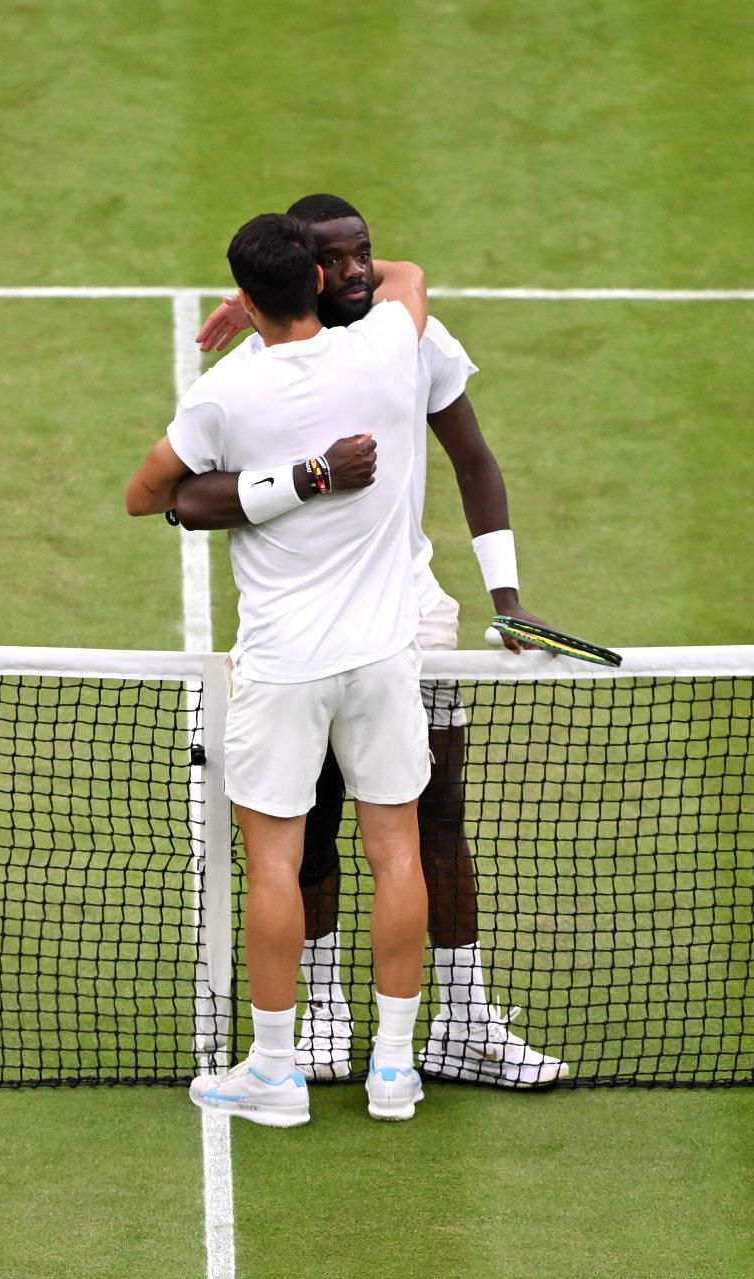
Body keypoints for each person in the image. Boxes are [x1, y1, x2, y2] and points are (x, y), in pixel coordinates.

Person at [175, 194, 569, 1089]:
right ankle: (321, 1017)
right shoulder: (262, 366)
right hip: (299, 630)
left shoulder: (411, 340)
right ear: (304, 275)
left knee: (436, 822)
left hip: (410, 619)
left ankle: (463, 1020)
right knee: (307, 827)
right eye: (335, 260)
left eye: (366, 255)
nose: (356, 271)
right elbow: (189, 494)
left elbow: (474, 459)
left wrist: (507, 597)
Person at [125, 213, 435, 1126]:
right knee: (399, 854)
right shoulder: (385, 350)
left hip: (282, 668)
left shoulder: (227, 393)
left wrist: (288, 475)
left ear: (252, 299)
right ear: (325, 279)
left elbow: (148, 496)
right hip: (383, 658)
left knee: (275, 863)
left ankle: (272, 1070)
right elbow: (408, 272)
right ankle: (393, 1070)